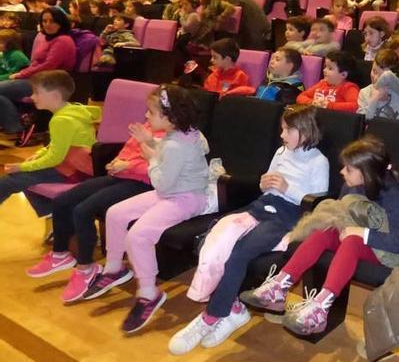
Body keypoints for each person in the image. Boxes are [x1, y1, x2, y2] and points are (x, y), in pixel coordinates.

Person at [169, 105, 329, 354]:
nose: (282, 136)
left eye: (287, 130)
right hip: (263, 205)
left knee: (240, 253)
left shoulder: (319, 162)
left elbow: (318, 203)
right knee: (215, 238)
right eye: (282, 130)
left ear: (305, 132)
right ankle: (233, 309)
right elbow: (267, 183)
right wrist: (264, 183)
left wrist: (288, 188)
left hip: (287, 216)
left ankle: (210, 317)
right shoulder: (282, 151)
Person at [239, 136, 399, 336]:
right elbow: (342, 214)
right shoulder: (351, 186)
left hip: (383, 251)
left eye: (348, 169)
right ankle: (279, 286)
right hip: (351, 237)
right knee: (324, 229)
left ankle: (320, 308)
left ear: (366, 173)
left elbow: (397, 243)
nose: (342, 172)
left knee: (352, 241)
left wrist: (361, 232)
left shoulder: (393, 195)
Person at [82, 85, 209, 333]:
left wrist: (149, 156)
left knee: (138, 236)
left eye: (151, 112)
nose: (147, 116)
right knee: (115, 213)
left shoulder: (176, 145)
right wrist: (150, 141)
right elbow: (170, 153)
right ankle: (114, 268)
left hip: (186, 198)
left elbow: (161, 180)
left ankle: (149, 293)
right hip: (170, 192)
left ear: (169, 117)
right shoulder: (183, 133)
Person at [27, 120, 163, 303]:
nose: (147, 114)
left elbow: (162, 170)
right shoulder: (147, 126)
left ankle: (85, 268)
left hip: (142, 184)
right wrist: (117, 162)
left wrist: (128, 166)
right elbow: (128, 150)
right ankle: (60, 254)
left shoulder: (169, 136)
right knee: (62, 201)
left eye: (152, 112)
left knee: (83, 210)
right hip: (120, 176)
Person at [0, 71, 100, 206]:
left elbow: (55, 158)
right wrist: (39, 154)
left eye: (36, 92)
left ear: (54, 95)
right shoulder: (75, 109)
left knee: (8, 182)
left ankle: (52, 210)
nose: (32, 96)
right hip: (78, 165)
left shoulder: (61, 120)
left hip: (73, 170)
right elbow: (58, 144)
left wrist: (23, 167)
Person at [0, 7, 76, 136]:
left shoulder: (63, 40)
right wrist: (22, 74)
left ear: (60, 22)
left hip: (49, 82)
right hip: (35, 78)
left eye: (52, 21)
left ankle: (15, 125)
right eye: (44, 21)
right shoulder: (48, 39)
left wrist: (20, 74)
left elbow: (49, 65)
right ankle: (14, 125)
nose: (47, 24)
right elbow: (35, 63)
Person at [357, 49, 399, 120]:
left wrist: (377, 86)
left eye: (380, 75)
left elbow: (387, 75)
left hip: (394, 130)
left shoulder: (397, 89)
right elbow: (363, 120)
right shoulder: (364, 92)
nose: (375, 78)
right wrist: (374, 99)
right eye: (374, 71)